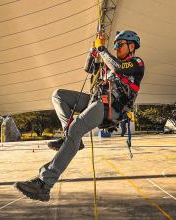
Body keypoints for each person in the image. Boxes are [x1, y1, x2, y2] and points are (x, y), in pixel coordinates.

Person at [14, 30, 145, 201]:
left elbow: (118, 68)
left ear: (131, 46)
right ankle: (72, 136)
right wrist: (93, 51)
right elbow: (88, 68)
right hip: (96, 101)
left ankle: (44, 184)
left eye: (119, 45)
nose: (116, 48)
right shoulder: (107, 64)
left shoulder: (136, 63)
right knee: (58, 95)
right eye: (115, 45)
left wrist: (103, 49)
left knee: (75, 129)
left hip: (110, 108)